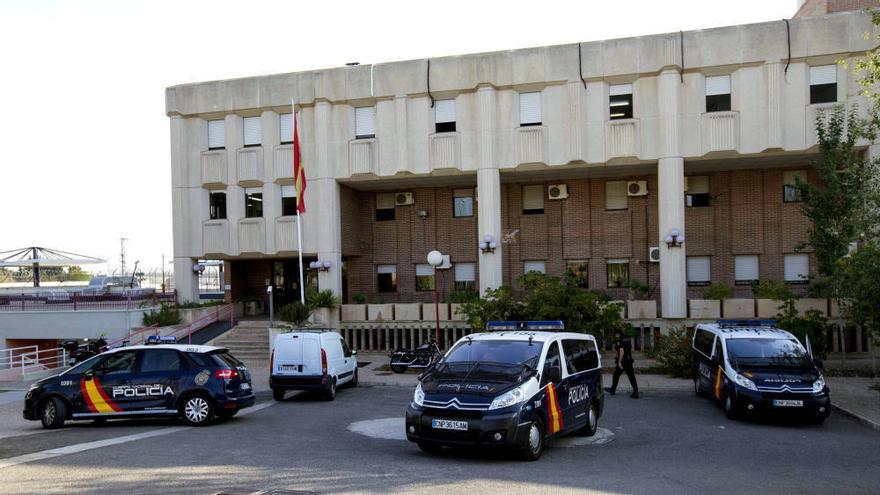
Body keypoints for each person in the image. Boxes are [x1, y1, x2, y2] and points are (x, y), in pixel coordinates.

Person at [605, 330, 639, 398]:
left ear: (618, 334)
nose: (615, 336)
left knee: (616, 375)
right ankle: (636, 392)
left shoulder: (619, 341)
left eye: (615, 334)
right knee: (631, 376)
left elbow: (621, 351)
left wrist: (619, 362)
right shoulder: (628, 340)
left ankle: (612, 390)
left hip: (623, 361)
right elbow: (629, 350)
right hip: (629, 361)